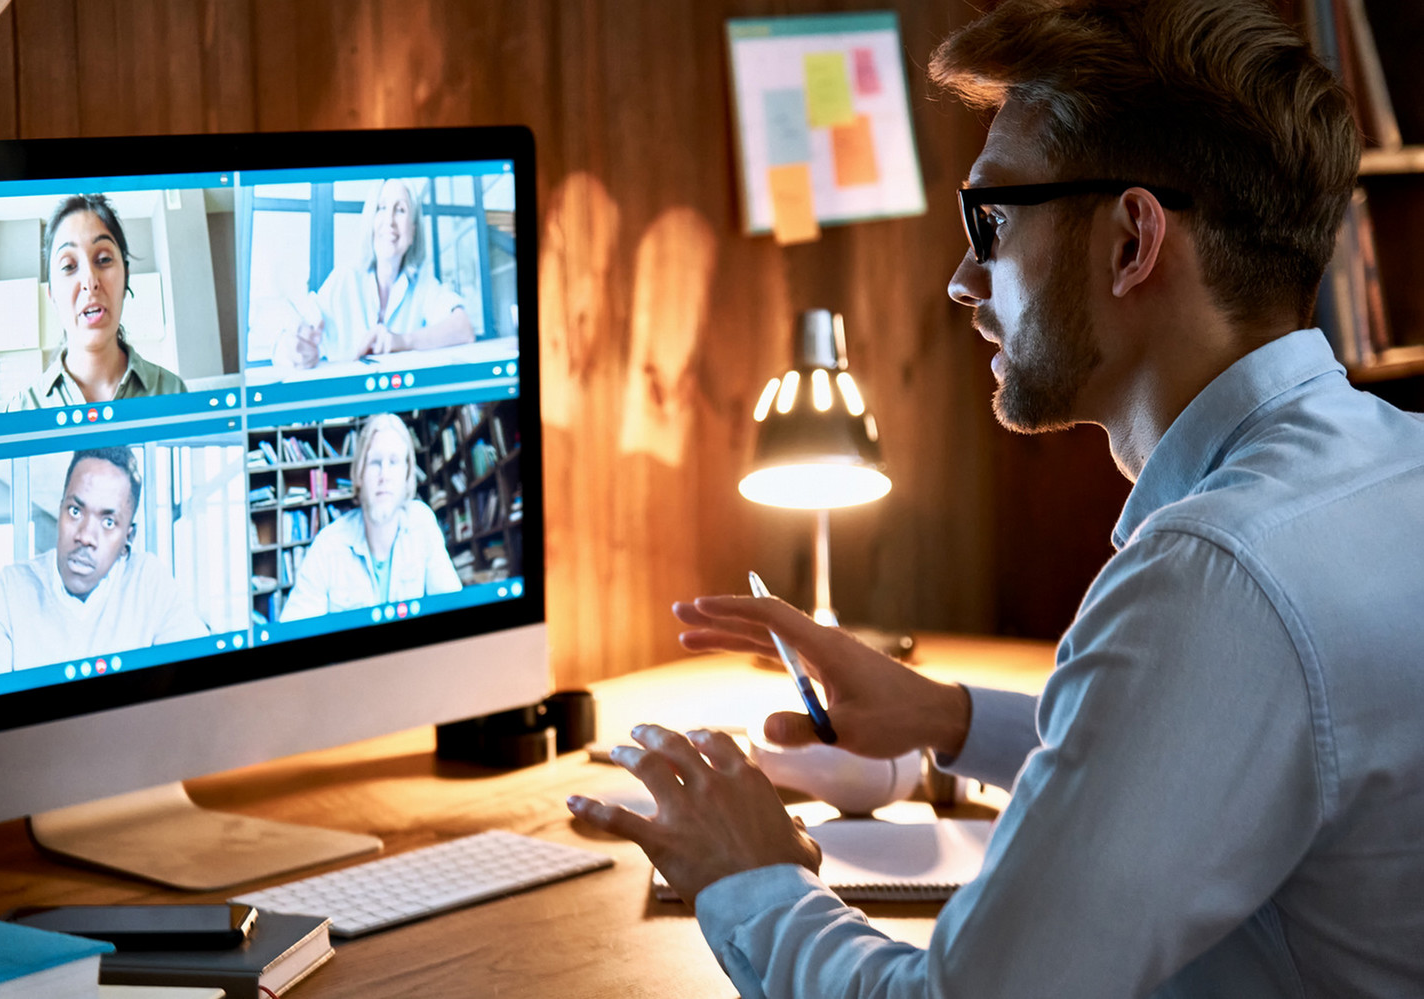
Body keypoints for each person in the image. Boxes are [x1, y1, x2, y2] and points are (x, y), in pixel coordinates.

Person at [568, 1, 1424, 996]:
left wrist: (746, 876)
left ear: (1131, 241)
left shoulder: (1214, 579)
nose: (963, 280)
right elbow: (1226, 755)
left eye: (995, 220)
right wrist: (950, 717)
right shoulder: (1388, 469)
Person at [0, 446, 208, 679]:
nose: (85, 536)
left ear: (127, 540)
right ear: (60, 509)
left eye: (108, 522)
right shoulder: (11, 589)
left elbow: (199, 683)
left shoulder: (149, 582)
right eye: (75, 511)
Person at [272, 179, 475, 370]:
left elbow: (463, 328)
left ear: (413, 231)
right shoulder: (344, 279)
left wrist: (400, 341)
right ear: (371, 221)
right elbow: (296, 332)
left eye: (401, 210)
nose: (389, 221)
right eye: (381, 208)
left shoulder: (422, 283)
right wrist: (290, 348)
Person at [280, 412, 462, 621]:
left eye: (393, 462)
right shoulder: (327, 545)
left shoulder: (422, 522)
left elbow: (453, 607)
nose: (384, 475)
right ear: (358, 475)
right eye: (375, 462)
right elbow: (295, 628)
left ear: (407, 475)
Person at [11, 194, 186, 409]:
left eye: (103, 259)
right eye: (68, 266)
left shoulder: (172, 392)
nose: (90, 281)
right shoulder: (24, 408)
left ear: (126, 278)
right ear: (52, 295)